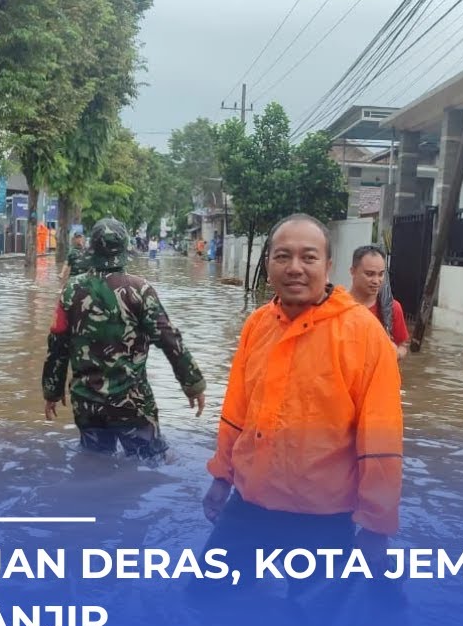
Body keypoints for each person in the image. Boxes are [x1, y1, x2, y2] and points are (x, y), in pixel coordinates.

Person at [196, 213, 404, 602]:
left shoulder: (365, 335)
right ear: (268, 263)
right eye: (282, 256)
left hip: (323, 518)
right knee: (204, 600)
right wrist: (221, 476)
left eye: (308, 257)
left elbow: (381, 438)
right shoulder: (258, 324)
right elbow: (237, 411)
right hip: (251, 502)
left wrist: (377, 526)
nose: (294, 268)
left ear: (327, 266)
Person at [42, 218, 206, 462]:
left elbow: (57, 345)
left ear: (92, 248)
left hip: (87, 403)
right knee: (151, 467)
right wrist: (193, 384)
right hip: (133, 404)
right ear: (124, 248)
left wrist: (52, 391)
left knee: (93, 467)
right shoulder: (140, 290)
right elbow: (169, 339)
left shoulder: (71, 290)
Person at [348, 245, 410, 360]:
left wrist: (396, 353)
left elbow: (403, 346)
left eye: (381, 274)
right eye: (369, 274)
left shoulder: (392, 308)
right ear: (353, 271)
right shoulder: (337, 305)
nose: (376, 281)